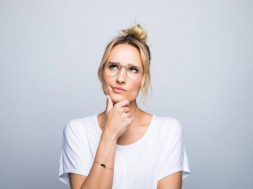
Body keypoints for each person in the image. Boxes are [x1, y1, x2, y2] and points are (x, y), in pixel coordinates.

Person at [58, 24, 190, 189]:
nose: (120, 78)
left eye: (133, 70)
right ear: (102, 72)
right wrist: (110, 134)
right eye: (113, 66)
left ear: (143, 80)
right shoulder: (77, 131)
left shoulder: (168, 130)